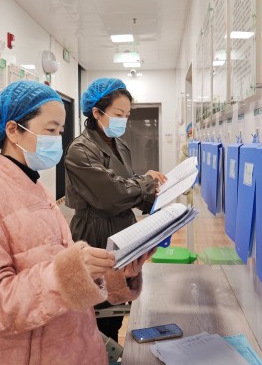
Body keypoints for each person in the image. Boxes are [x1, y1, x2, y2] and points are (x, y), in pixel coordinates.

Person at [0, 81, 152, 365]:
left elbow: (60, 274)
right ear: (13, 130)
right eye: (50, 130)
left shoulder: (35, 189)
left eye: (59, 131)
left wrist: (118, 273)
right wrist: (68, 274)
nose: (57, 140)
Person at [64, 77, 166, 342]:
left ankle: (108, 351)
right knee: (97, 313)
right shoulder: (79, 151)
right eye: (118, 114)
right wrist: (145, 183)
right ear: (97, 113)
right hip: (94, 234)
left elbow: (127, 189)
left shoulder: (121, 145)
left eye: (127, 115)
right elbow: (111, 194)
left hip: (123, 232)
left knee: (118, 307)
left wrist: (157, 196)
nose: (124, 120)